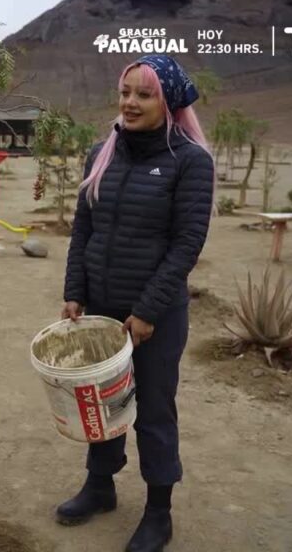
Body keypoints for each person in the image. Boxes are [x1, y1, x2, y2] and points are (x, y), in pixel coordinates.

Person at [59, 54, 215, 552]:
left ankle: (158, 513)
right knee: (101, 403)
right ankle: (100, 486)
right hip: (101, 308)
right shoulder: (101, 153)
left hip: (156, 317)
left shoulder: (190, 161)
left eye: (144, 94)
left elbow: (187, 244)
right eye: (125, 92)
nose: (130, 102)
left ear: (168, 102)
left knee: (153, 412)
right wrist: (74, 291)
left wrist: (147, 310)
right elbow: (84, 228)